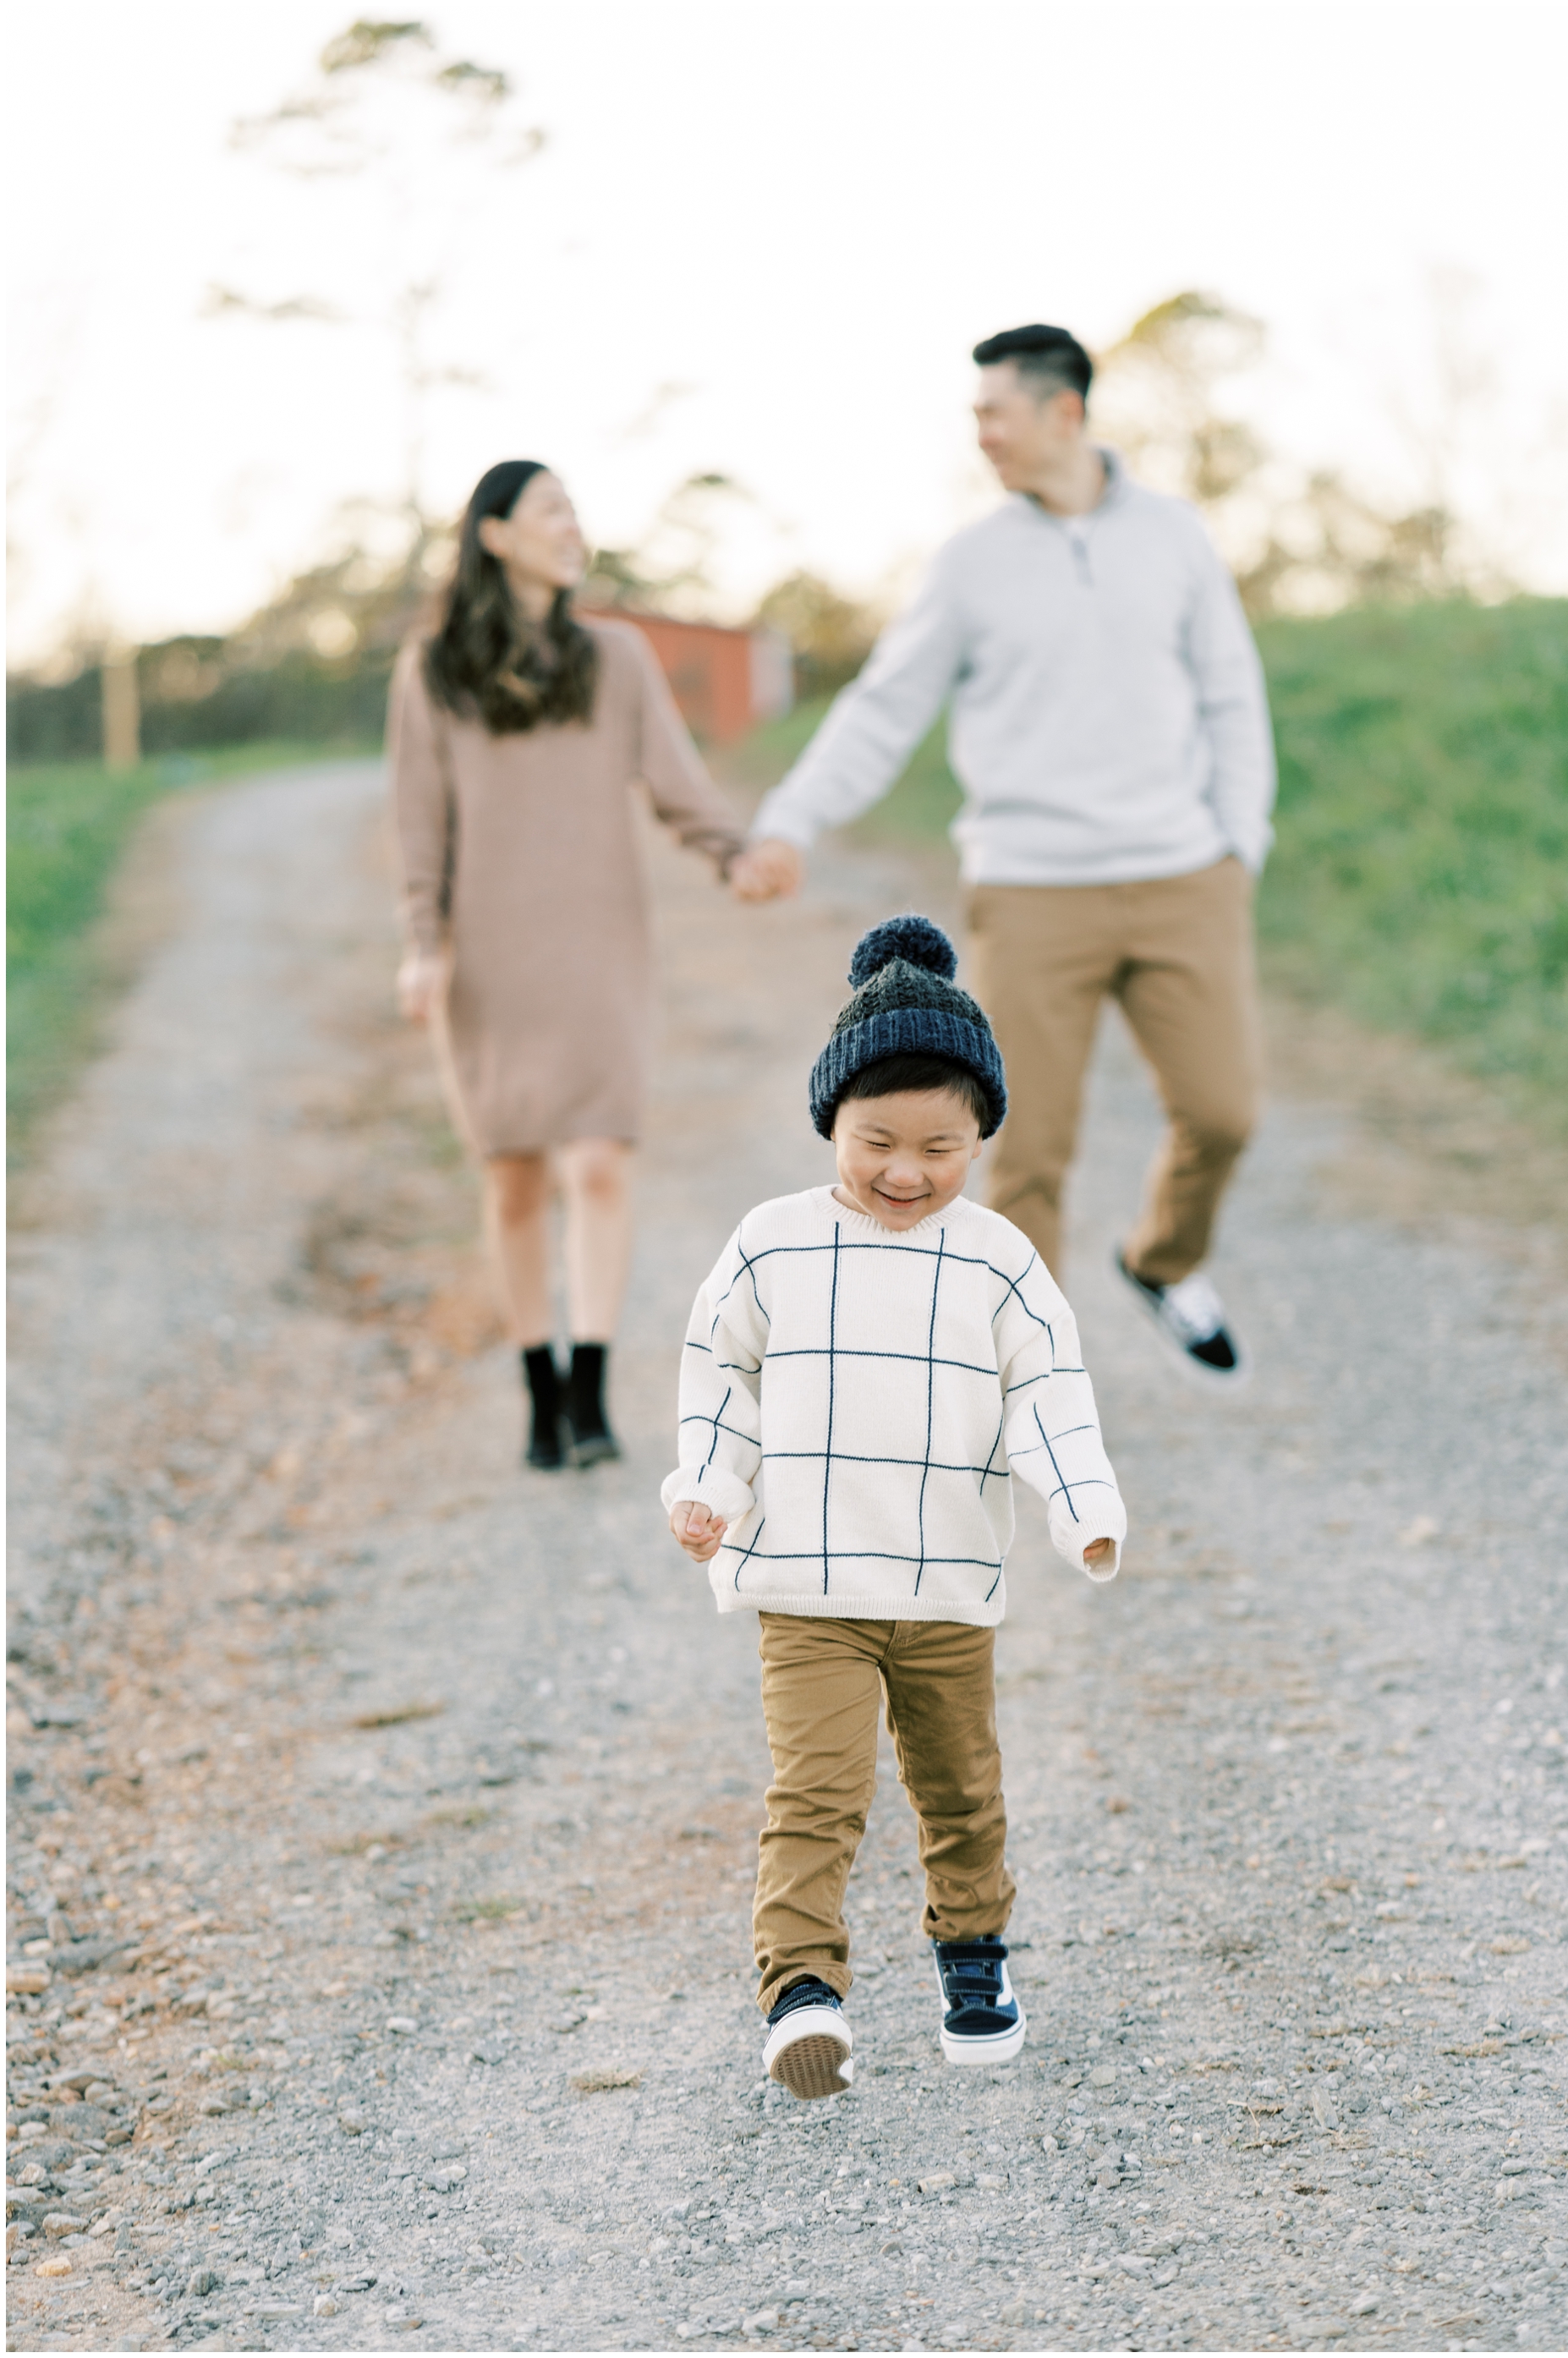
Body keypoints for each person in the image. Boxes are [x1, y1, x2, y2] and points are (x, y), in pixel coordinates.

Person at [732, 324, 1276, 1386]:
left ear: (1062, 412)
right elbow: (882, 709)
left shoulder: (1173, 538)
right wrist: (789, 819)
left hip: (1182, 877)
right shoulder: (971, 564)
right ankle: (1028, 1384)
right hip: (1032, 890)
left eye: (995, 412)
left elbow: (1230, 698)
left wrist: (1235, 845)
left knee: (1223, 1111)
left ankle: (1161, 1260)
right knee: (1024, 1154)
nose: (980, 433)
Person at [663, 913, 1127, 2098]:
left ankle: (973, 1958)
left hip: (944, 1589)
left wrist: (1083, 1511)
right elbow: (721, 1380)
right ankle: (800, 1992)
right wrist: (708, 1490)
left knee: (960, 1787)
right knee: (814, 1792)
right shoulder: (773, 1248)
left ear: (980, 1137)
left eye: (942, 1145)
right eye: (877, 1141)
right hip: (808, 1587)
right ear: (832, 1123)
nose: (907, 1172)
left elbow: (1050, 1394)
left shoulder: (999, 1261)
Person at [390, 458, 747, 1471]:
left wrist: (739, 853)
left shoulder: (617, 657)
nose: (571, 525)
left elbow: (679, 787)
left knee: (597, 1157)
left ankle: (589, 1393)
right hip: (489, 954)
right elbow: (418, 824)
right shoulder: (429, 672)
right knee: (512, 1178)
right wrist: (423, 946)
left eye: (575, 510)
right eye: (550, 509)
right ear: (494, 533)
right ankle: (537, 1388)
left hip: (598, 942)